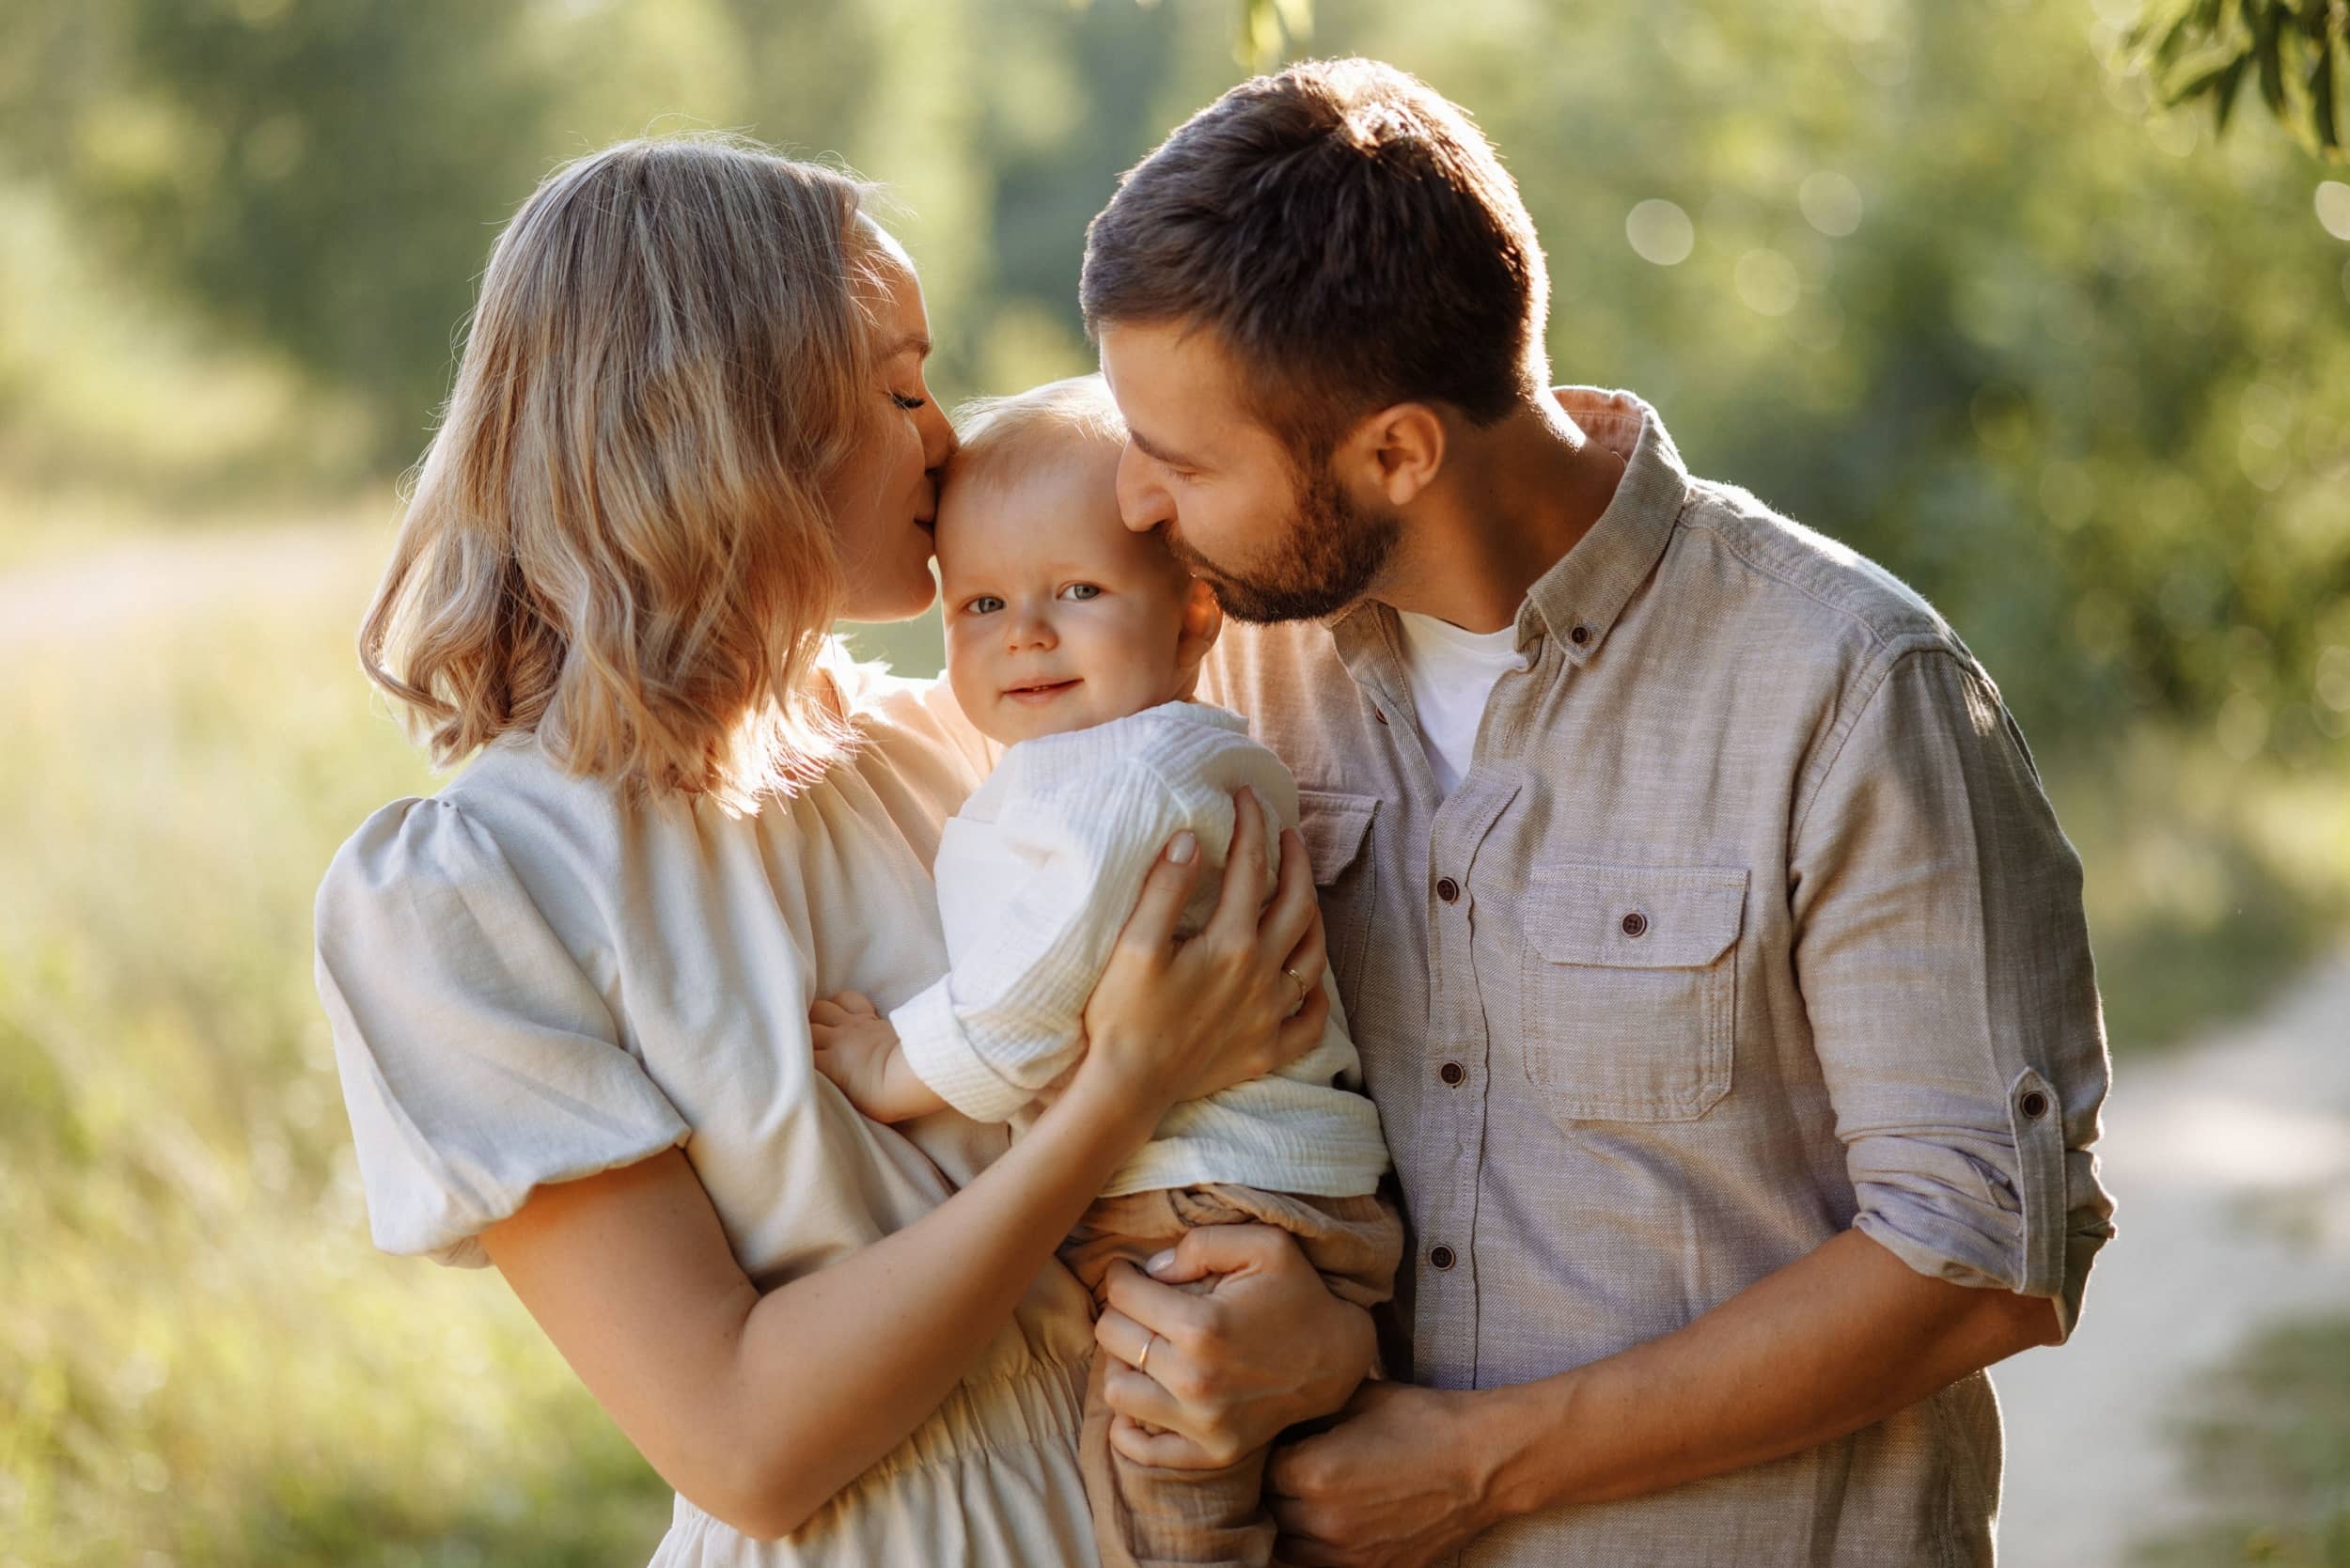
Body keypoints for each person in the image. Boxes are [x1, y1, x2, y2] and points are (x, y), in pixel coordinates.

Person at [1078, 58, 2119, 1566]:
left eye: (1179, 460)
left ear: (1396, 452)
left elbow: (1984, 1256)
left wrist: (1487, 1466)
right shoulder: (1220, 662)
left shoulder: (1842, 687)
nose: (1131, 503)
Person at [310, 135, 1366, 1567]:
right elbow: (748, 1442)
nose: (944, 436)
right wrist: (1118, 1095)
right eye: (894, 386)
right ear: (729, 423)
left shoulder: (977, 750)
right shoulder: (473, 898)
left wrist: (1315, 1341)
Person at [807, 373, 1401, 1568]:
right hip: (1237, 1185)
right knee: (1195, 1476)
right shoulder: (1096, 760)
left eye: (1076, 592)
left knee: (1163, 1484)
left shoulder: (1131, 778)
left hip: (1211, 1197)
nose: (1023, 634)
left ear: (1193, 614)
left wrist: (898, 1064)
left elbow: (1038, 983)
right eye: (978, 604)